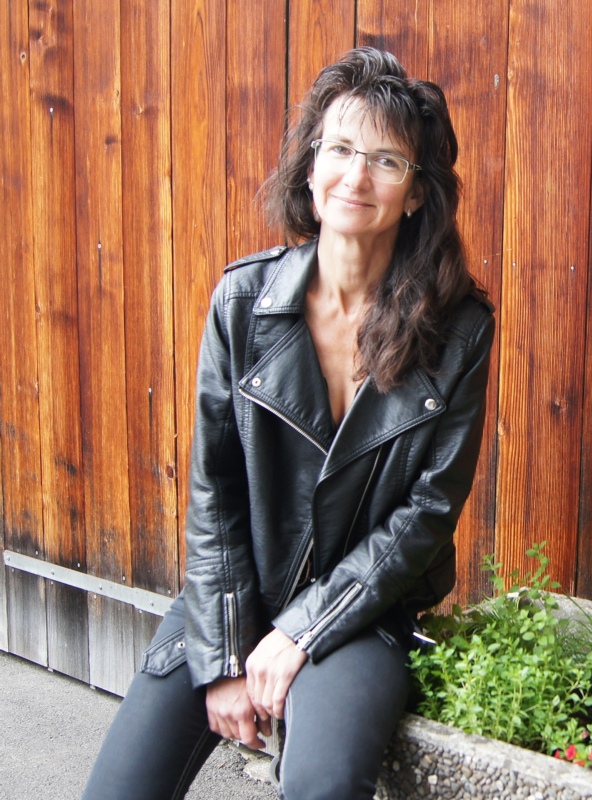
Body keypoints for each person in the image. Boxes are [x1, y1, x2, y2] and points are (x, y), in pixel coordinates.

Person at [83, 46, 494, 800]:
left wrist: (301, 630)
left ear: (415, 194)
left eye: (386, 160)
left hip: (362, 611)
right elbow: (214, 492)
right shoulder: (243, 303)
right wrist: (225, 656)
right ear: (310, 167)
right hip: (237, 594)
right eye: (339, 149)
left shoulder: (458, 329)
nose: (355, 177)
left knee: (322, 784)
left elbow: (427, 511)